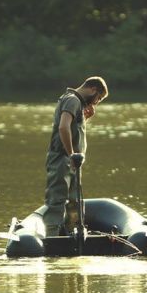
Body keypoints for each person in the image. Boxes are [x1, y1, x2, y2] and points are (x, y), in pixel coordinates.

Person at [43, 76, 109, 236]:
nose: (96, 103)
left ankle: (71, 235)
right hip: (62, 159)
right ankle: (52, 238)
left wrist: (85, 118)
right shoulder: (72, 100)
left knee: (75, 201)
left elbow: (73, 128)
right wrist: (72, 154)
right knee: (57, 199)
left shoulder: (77, 102)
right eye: (98, 98)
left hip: (73, 162)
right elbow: (63, 127)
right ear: (92, 89)